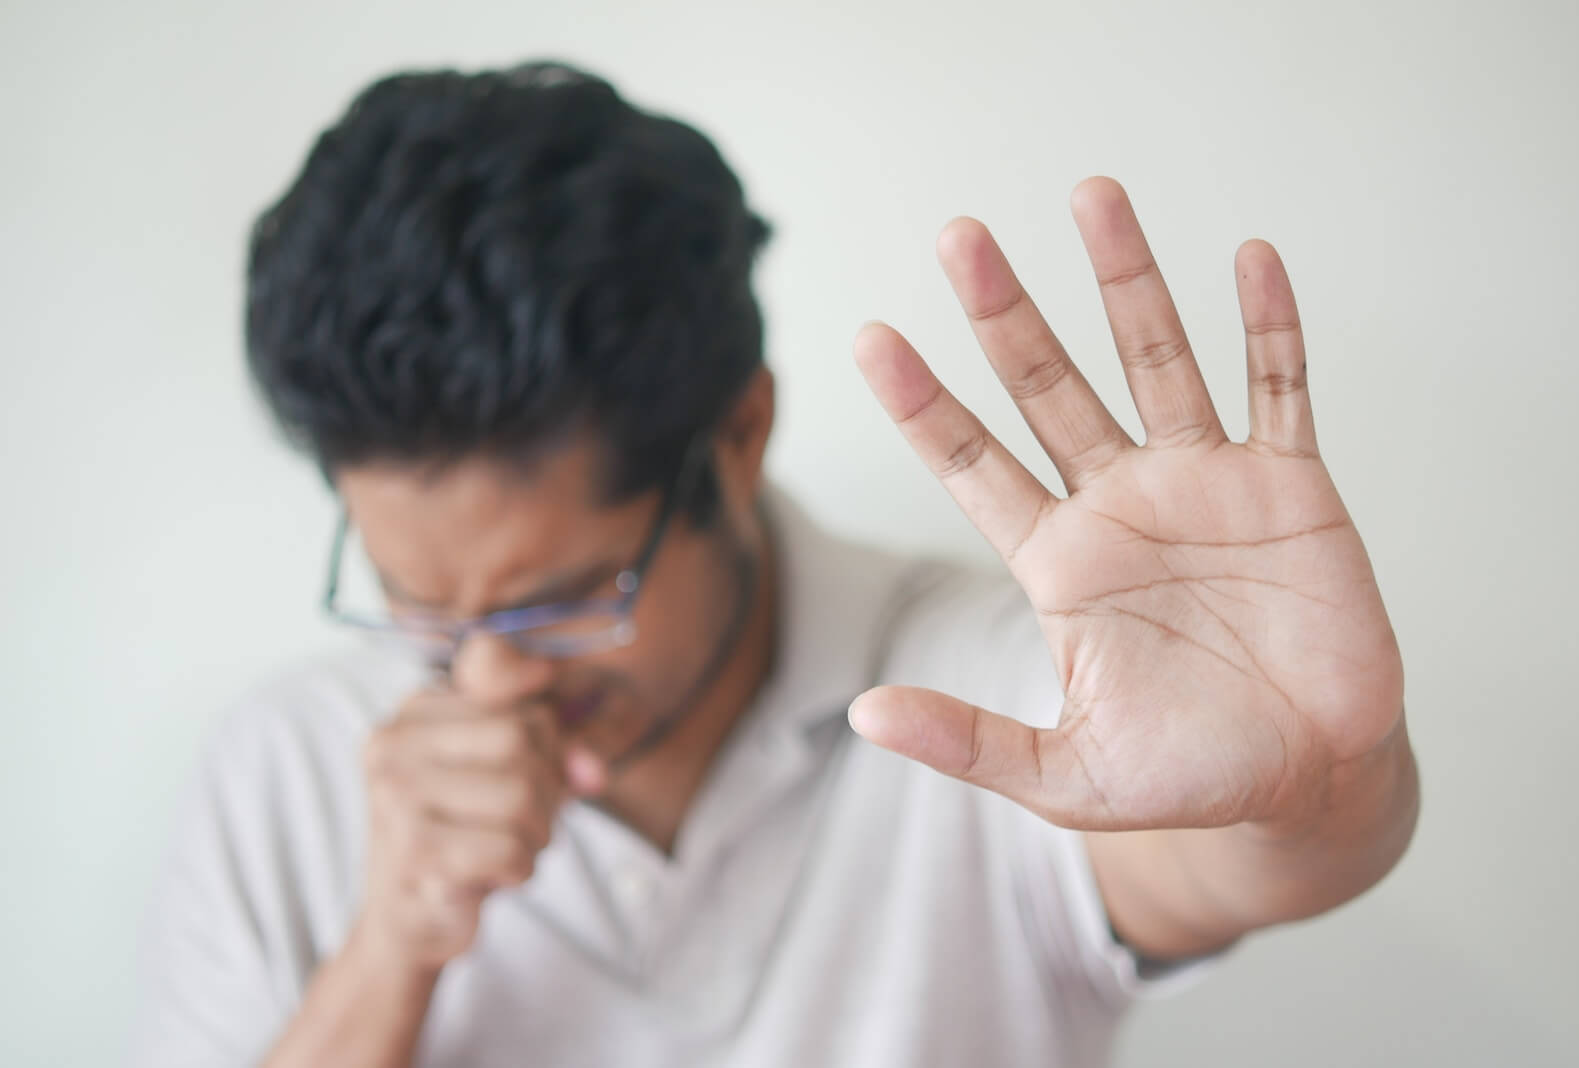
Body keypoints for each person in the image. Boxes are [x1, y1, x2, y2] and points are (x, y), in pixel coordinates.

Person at [131, 61, 1419, 1067]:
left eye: (564, 601)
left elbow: (1232, 861)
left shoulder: (989, 683)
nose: (488, 678)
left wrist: (1311, 786)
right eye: (416, 605)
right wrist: (388, 953)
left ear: (739, 437)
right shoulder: (284, 768)